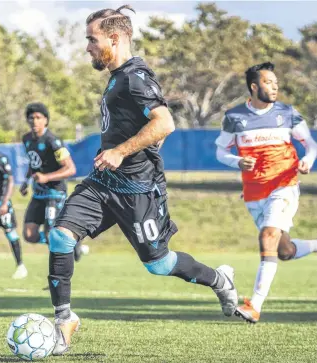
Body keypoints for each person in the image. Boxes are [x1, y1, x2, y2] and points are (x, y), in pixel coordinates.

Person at [48, 4, 238, 356]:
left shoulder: (135, 76)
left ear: (115, 38)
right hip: (103, 184)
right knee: (60, 236)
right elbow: (151, 126)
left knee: (159, 264)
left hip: (139, 191)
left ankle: (220, 280)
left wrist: (121, 151)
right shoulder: (117, 77)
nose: (87, 46)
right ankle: (64, 320)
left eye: (92, 39)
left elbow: (165, 123)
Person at [215, 62, 317, 323]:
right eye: (269, 82)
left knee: (268, 236)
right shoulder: (234, 117)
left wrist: (307, 160)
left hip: (284, 184)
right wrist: (236, 161)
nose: (275, 86)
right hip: (253, 191)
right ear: (254, 86)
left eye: (276, 82)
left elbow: (310, 144)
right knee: (284, 251)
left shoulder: (287, 113)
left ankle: (254, 305)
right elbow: (221, 152)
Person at [20, 103, 86, 260]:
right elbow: (34, 162)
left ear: (46, 120)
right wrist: (25, 181)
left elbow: (71, 169)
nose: (34, 121)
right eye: (31, 118)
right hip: (38, 193)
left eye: (38, 117)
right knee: (29, 235)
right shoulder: (27, 139)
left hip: (54, 193)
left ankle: (56, 280)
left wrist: (47, 177)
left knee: (52, 235)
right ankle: (70, 241)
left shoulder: (53, 141)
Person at [0, 151, 27, 279]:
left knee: (10, 233)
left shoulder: (1, 158)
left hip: (1, 203)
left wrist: (4, 203)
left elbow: (10, 181)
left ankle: (20, 266)